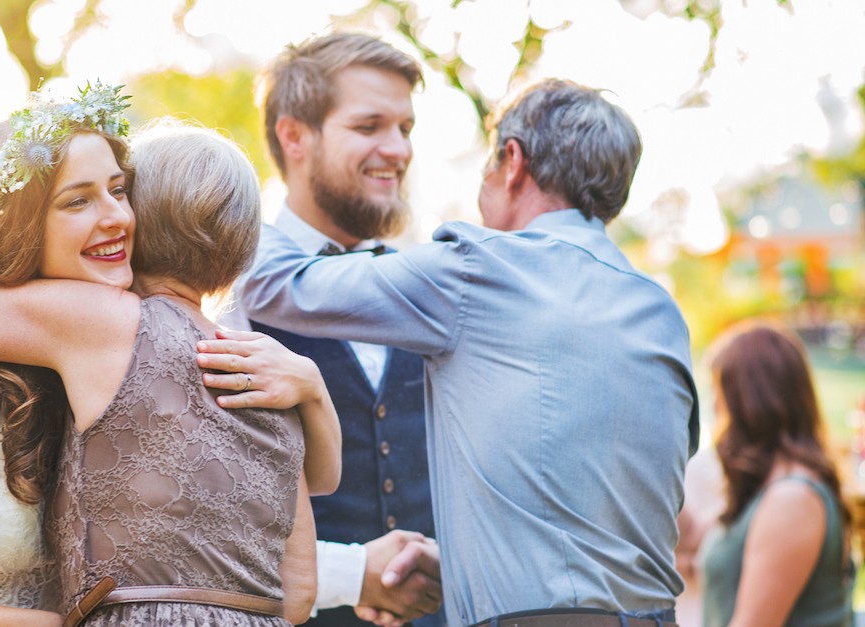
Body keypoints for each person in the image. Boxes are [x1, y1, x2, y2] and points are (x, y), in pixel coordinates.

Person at [0, 88, 339, 626]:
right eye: (78, 201)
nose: (118, 217)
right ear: (17, 225)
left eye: (120, 192)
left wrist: (310, 383)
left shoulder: (139, 370)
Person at [237, 77, 700, 626]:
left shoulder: (478, 270)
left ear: (512, 161)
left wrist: (225, 196)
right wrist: (463, 566)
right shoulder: (658, 309)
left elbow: (277, 285)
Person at [223, 31, 442, 627]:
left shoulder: (429, 287)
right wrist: (351, 575)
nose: (397, 149)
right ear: (295, 135)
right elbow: (206, 517)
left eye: (406, 128)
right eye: (370, 126)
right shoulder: (229, 289)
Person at [699, 319, 853, 626]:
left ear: (748, 401)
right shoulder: (769, 490)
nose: (714, 405)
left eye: (720, 390)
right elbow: (690, 538)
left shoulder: (793, 499)